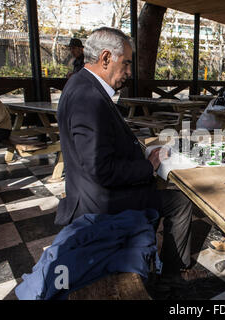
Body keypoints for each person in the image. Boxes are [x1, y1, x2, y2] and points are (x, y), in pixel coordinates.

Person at [56, 27, 199, 286]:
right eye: (127, 63)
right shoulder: (88, 97)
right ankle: (173, 275)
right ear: (106, 58)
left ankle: (162, 261)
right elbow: (101, 169)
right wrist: (147, 166)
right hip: (101, 204)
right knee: (180, 200)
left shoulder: (80, 85)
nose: (130, 72)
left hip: (90, 193)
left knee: (169, 193)